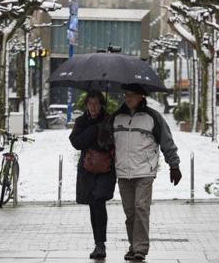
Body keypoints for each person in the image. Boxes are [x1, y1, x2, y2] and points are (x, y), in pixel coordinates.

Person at [113, 84, 181, 262]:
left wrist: (174, 165)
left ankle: (140, 249)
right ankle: (133, 245)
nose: (128, 98)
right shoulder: (116, 117)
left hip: (144, 171)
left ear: (141, 97)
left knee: (141, 208)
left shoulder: (153, 117)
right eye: (126, 95)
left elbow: (167, 141)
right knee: (130, 212)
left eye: (132, 95)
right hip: (123, 172)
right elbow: (106, 142)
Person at [69, 90, 116, 260]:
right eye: (90, 103)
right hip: (88, 170)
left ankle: (100, 244)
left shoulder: (110, 120)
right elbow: (76, 142)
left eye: (96, 103)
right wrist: (94, 129)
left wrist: (102, 133)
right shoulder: (82, 121)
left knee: (98, 201)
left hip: (106, 169)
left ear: (101, 104)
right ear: (86, 105)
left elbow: (112, 142)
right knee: (92, 204)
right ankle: (98, 243)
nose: (93, 107)